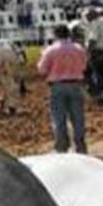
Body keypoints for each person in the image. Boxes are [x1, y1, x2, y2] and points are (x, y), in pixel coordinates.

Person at [38, 23, 88, 153]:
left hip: (58, 85)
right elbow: (84, 66)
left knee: (59, 118)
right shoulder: (78, 48)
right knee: (78, 117)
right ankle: (80, 146)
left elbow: (42, 70)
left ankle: (61, 147)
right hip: (76, 83)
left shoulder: (50, 50)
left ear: (55, 35)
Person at [83, 8, 103, 104]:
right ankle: (101, 93)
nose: (86, 17)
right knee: (99, 73)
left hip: (96, 51)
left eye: (88, 15)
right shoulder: (101, 23)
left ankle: (98, 93)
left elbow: (92, 40)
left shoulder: (95, 24)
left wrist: (87, 51)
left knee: (90, 72)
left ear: (92, 15)